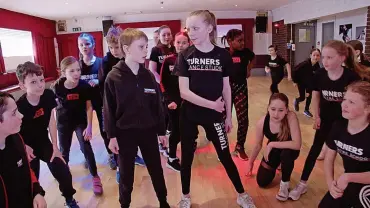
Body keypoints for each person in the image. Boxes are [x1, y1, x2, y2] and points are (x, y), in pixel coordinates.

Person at [173, 10, 256, 208]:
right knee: (186, 158)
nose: (190, 32)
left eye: (195, 28)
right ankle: (185, 197)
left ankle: (241, 194)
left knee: (225, 155)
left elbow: (226, 87)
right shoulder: (184, 56)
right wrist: (214, 105)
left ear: (209, 28)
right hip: (189, 115)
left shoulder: (222, 55)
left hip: (215, 116)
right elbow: (184, 92)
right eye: (188, 28)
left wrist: (228, 116)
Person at [104, 28, 170, 208]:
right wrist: (111, 136)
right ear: (126, 49)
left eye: (146, 46)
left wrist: (161, 131)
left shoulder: (148, 76)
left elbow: (157, 106)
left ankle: (163, 202)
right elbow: (108, 109)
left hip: (148, 131)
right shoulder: (113, 77)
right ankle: (124, 204)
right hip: (125, 133)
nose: (145, 51)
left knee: (156, 169)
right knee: (126, 175)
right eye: (141, 47)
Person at [289, 40, 362, 200]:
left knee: (348, 156)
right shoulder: (320, 75)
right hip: (327, 121)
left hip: (346, 123)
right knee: (315, 150)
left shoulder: (351, 77)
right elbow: (316, 95)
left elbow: (359, 101)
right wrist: (317, 116)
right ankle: (302, 183)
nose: (324, 61)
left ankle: (353, 187)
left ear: (342, 58)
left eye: (330, 57)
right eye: (324, 57)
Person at [15, 62, 79, 207]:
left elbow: (51, 120)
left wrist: (55, 146)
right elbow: (13, 133)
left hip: (43, 142)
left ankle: (69, 199)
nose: (40, 85)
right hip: (26, 148)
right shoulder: (20, 107)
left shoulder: (48, 95)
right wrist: (24, 146)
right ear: (22, 86)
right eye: (33, 82)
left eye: (42, 80)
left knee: (63, 171)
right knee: (32, 182)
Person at [52, 56, 103, 196]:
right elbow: (54, 107)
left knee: (86, 147)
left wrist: (90, 127)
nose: (76, 73)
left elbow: (88, 107)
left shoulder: (84, 86)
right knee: (64, 151)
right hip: (64, 124)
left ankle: (95, 176)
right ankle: (64, 175)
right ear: (63, 73)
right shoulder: (57, 86)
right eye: (72, 71)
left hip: (80, 122)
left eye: (78, 70)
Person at [101, 26, 145, 183]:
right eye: (111, 47)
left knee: (133, 135)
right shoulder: (106, 62)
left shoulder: (133, 58)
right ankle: (120, 166)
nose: (114, 50)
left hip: (131, 107)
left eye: (117, 47)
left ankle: (134, 156)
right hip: (114, 108)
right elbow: (105, 89)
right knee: (117, 140)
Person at [319, 81, 370, 208]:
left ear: (367, 108)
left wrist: (348, 177)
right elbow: (328, 159)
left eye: (351, 102)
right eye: (344, 99)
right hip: (348, 181)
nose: (344, 105)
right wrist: (331, 184)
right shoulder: (338, 127)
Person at [246, 93, 301, 201]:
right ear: (268, 108)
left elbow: (297, 144)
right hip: (275, 150)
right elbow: (257, 145)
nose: (276, 114)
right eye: (273, 109)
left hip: (290, 149)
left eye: (281, 110)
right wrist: (250, 162)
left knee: (286, 154)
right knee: (262, 181)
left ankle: (285, 185)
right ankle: (278, 163)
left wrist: (271, 144)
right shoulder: (262, 122)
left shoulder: (291, 117)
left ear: (286, 110)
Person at [0, 92, 47, 208]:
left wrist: (36, 192)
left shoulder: (17, 139)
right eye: (14, 113)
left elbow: (26, 169)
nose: (21, 115)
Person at [78, 33, 117, 169]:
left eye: (87, 44)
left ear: (93, 45)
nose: (84, 47)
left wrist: (98, 81)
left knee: (104, 129)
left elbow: (108, 80)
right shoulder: (77, 65)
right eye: (81, 44)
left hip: (100, 100)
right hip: (83, 103)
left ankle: (111, 155)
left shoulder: (102, 62)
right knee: (84, 131)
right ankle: (87, 156)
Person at [221, 28, 255, 160]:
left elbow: (253, 58)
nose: (242, 43)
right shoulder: (223, 53)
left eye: (243, 40)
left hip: (240, 87)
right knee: (223, 119)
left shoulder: (246, 53)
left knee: (243, 119)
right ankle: (222, 147)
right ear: (230, 41)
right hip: (225, 88)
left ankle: (240, 147)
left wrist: (249, 69)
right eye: (239, 41)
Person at [160, 32, 190, 172]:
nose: (181, 45)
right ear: (174, 43)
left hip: (189, 102)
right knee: (175, 131)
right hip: (173, 104)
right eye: (178, 42)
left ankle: (187, 152)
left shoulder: (192, 60)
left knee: (188, 130)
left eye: (184, 42)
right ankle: (171, 158)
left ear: (189, 43)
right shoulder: (168, 60)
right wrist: (168, 100)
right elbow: (162, 82)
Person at [293, 48, 321, 118]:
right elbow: (294, 71)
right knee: (302, 98)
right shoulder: (305, 64)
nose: (316, 57)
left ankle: (306, 110)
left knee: (309, 96)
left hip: (309, 83)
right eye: (314, 55)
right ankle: (297, 100)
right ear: (310, 55)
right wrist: (295, 81)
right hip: (301, 82)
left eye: (318, 55)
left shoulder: (317, 66)